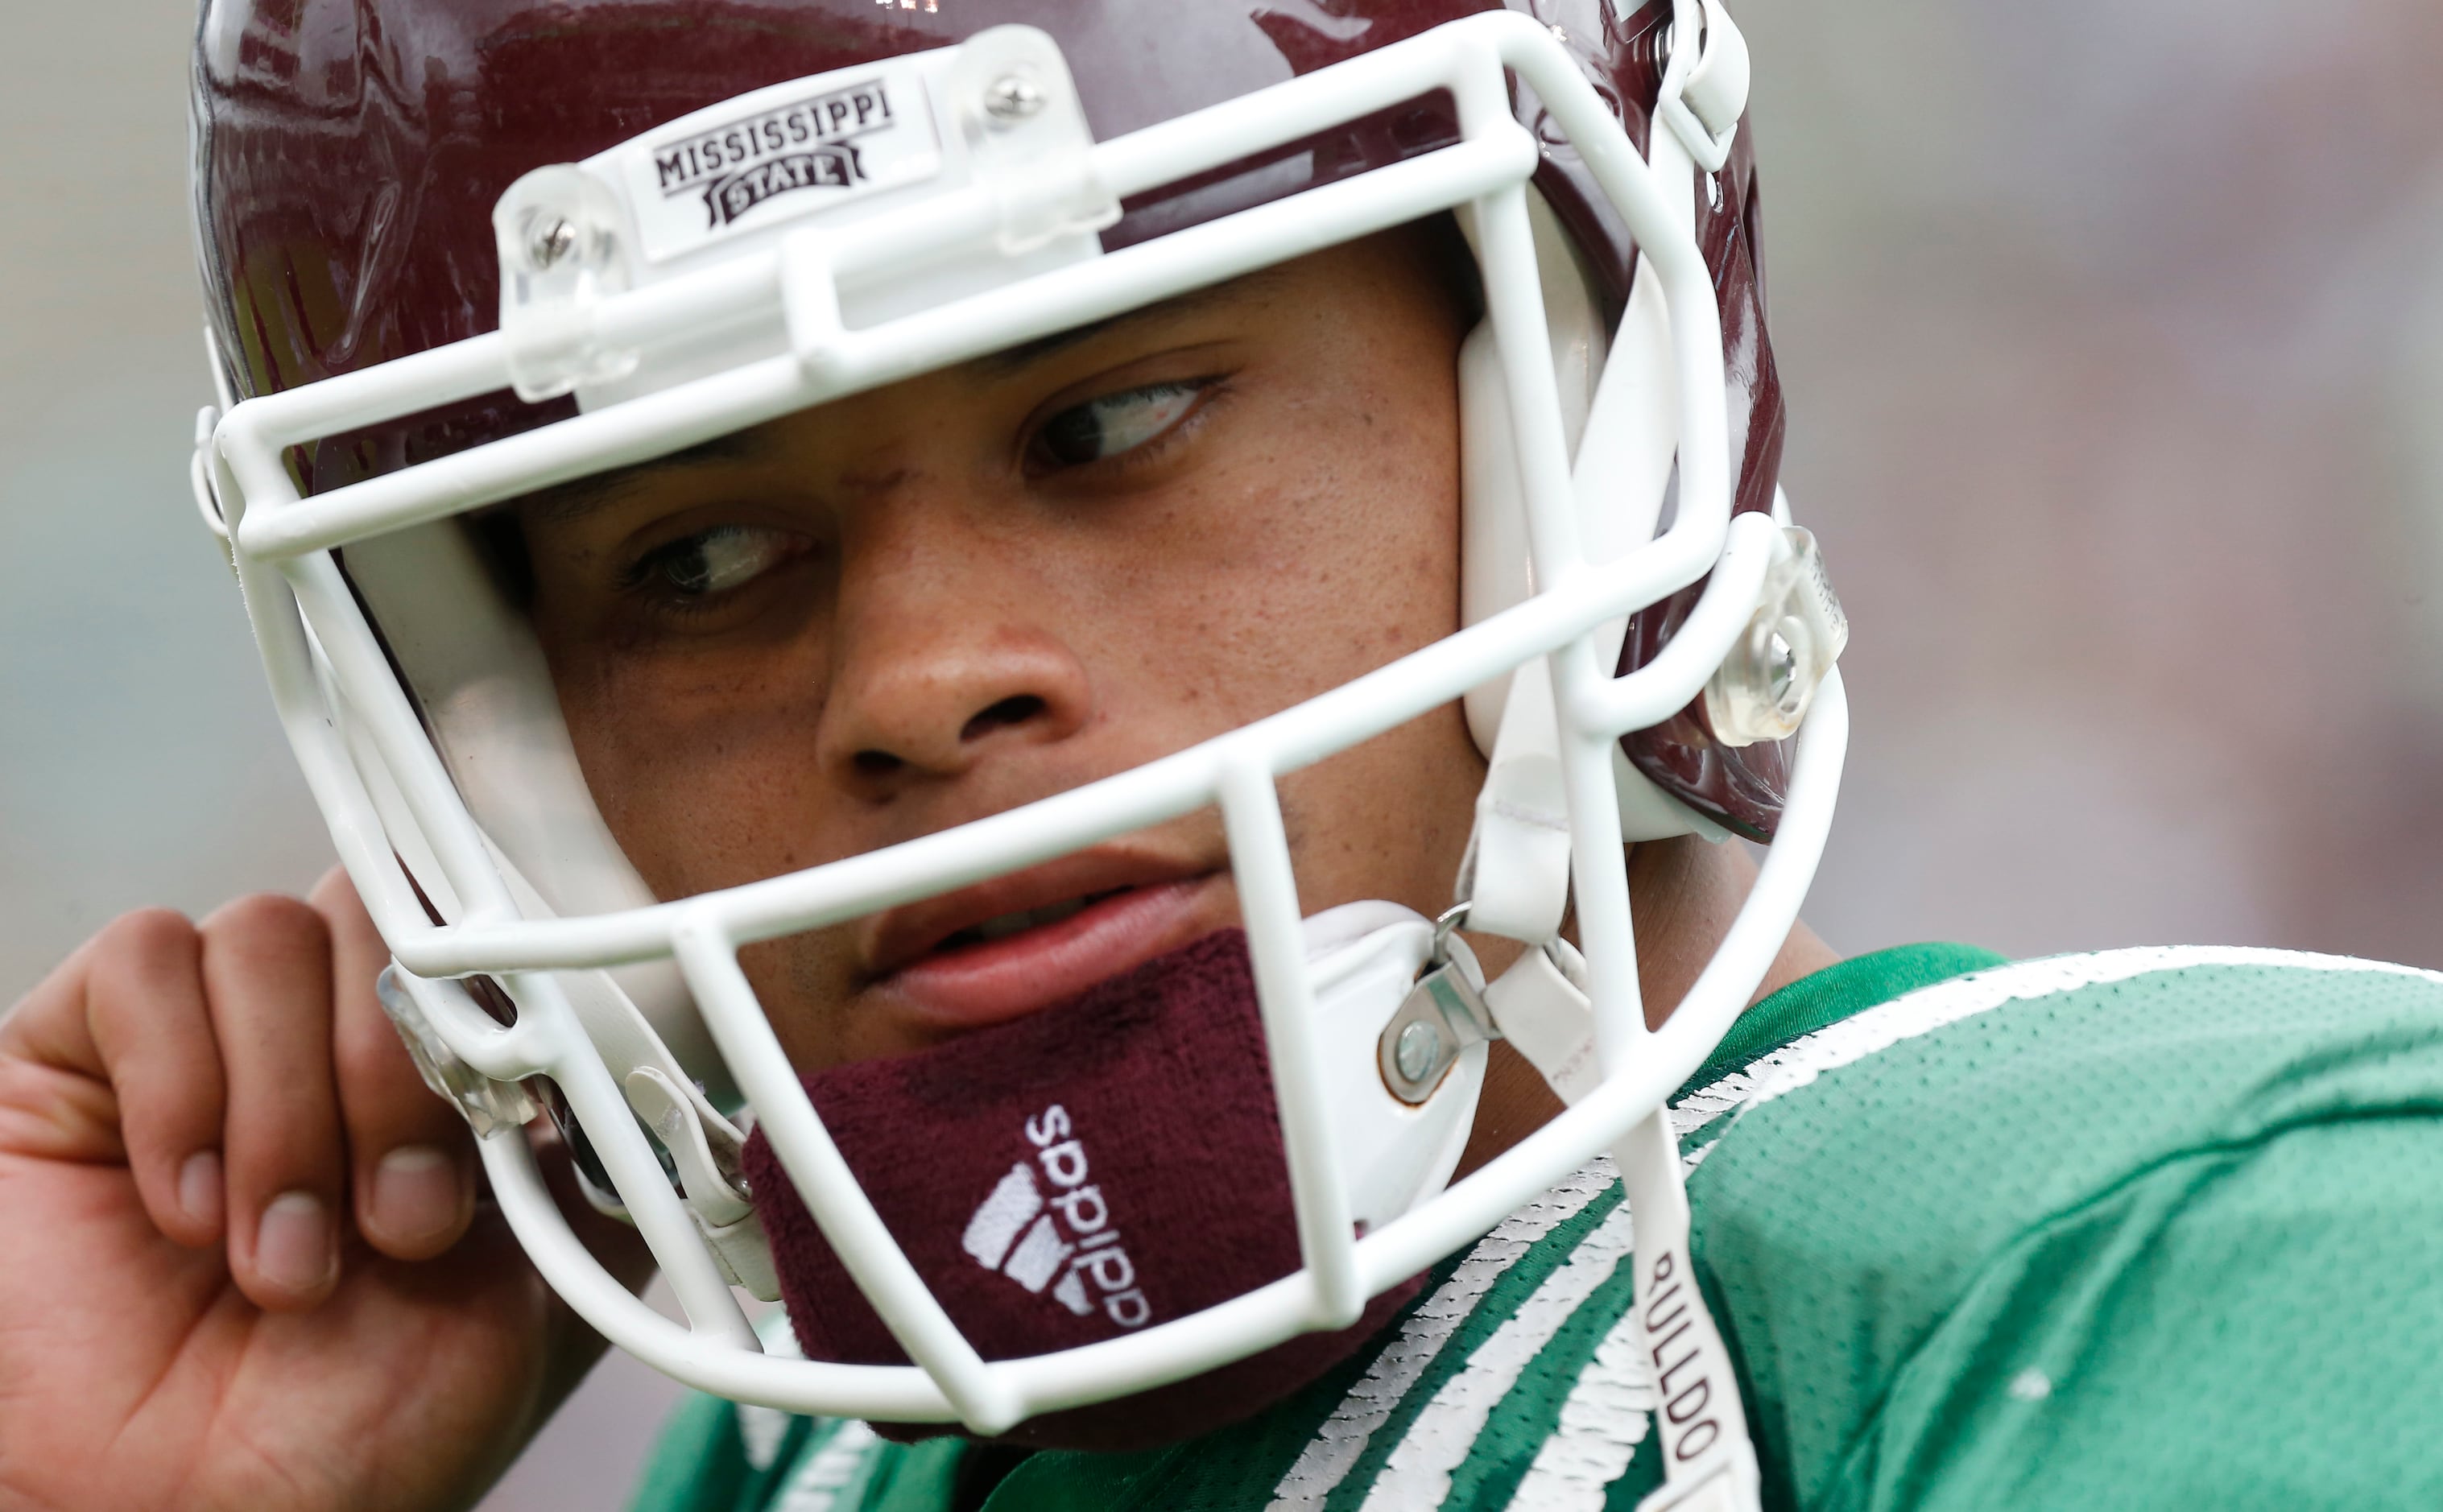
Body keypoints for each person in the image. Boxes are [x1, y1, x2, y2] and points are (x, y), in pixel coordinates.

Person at [5, 2, 2442, 1510]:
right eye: (699, 568)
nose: (922, 681)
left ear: (1573, 422)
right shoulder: (811, 1471)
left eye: (1118, 416)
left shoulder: (2232, 1274)